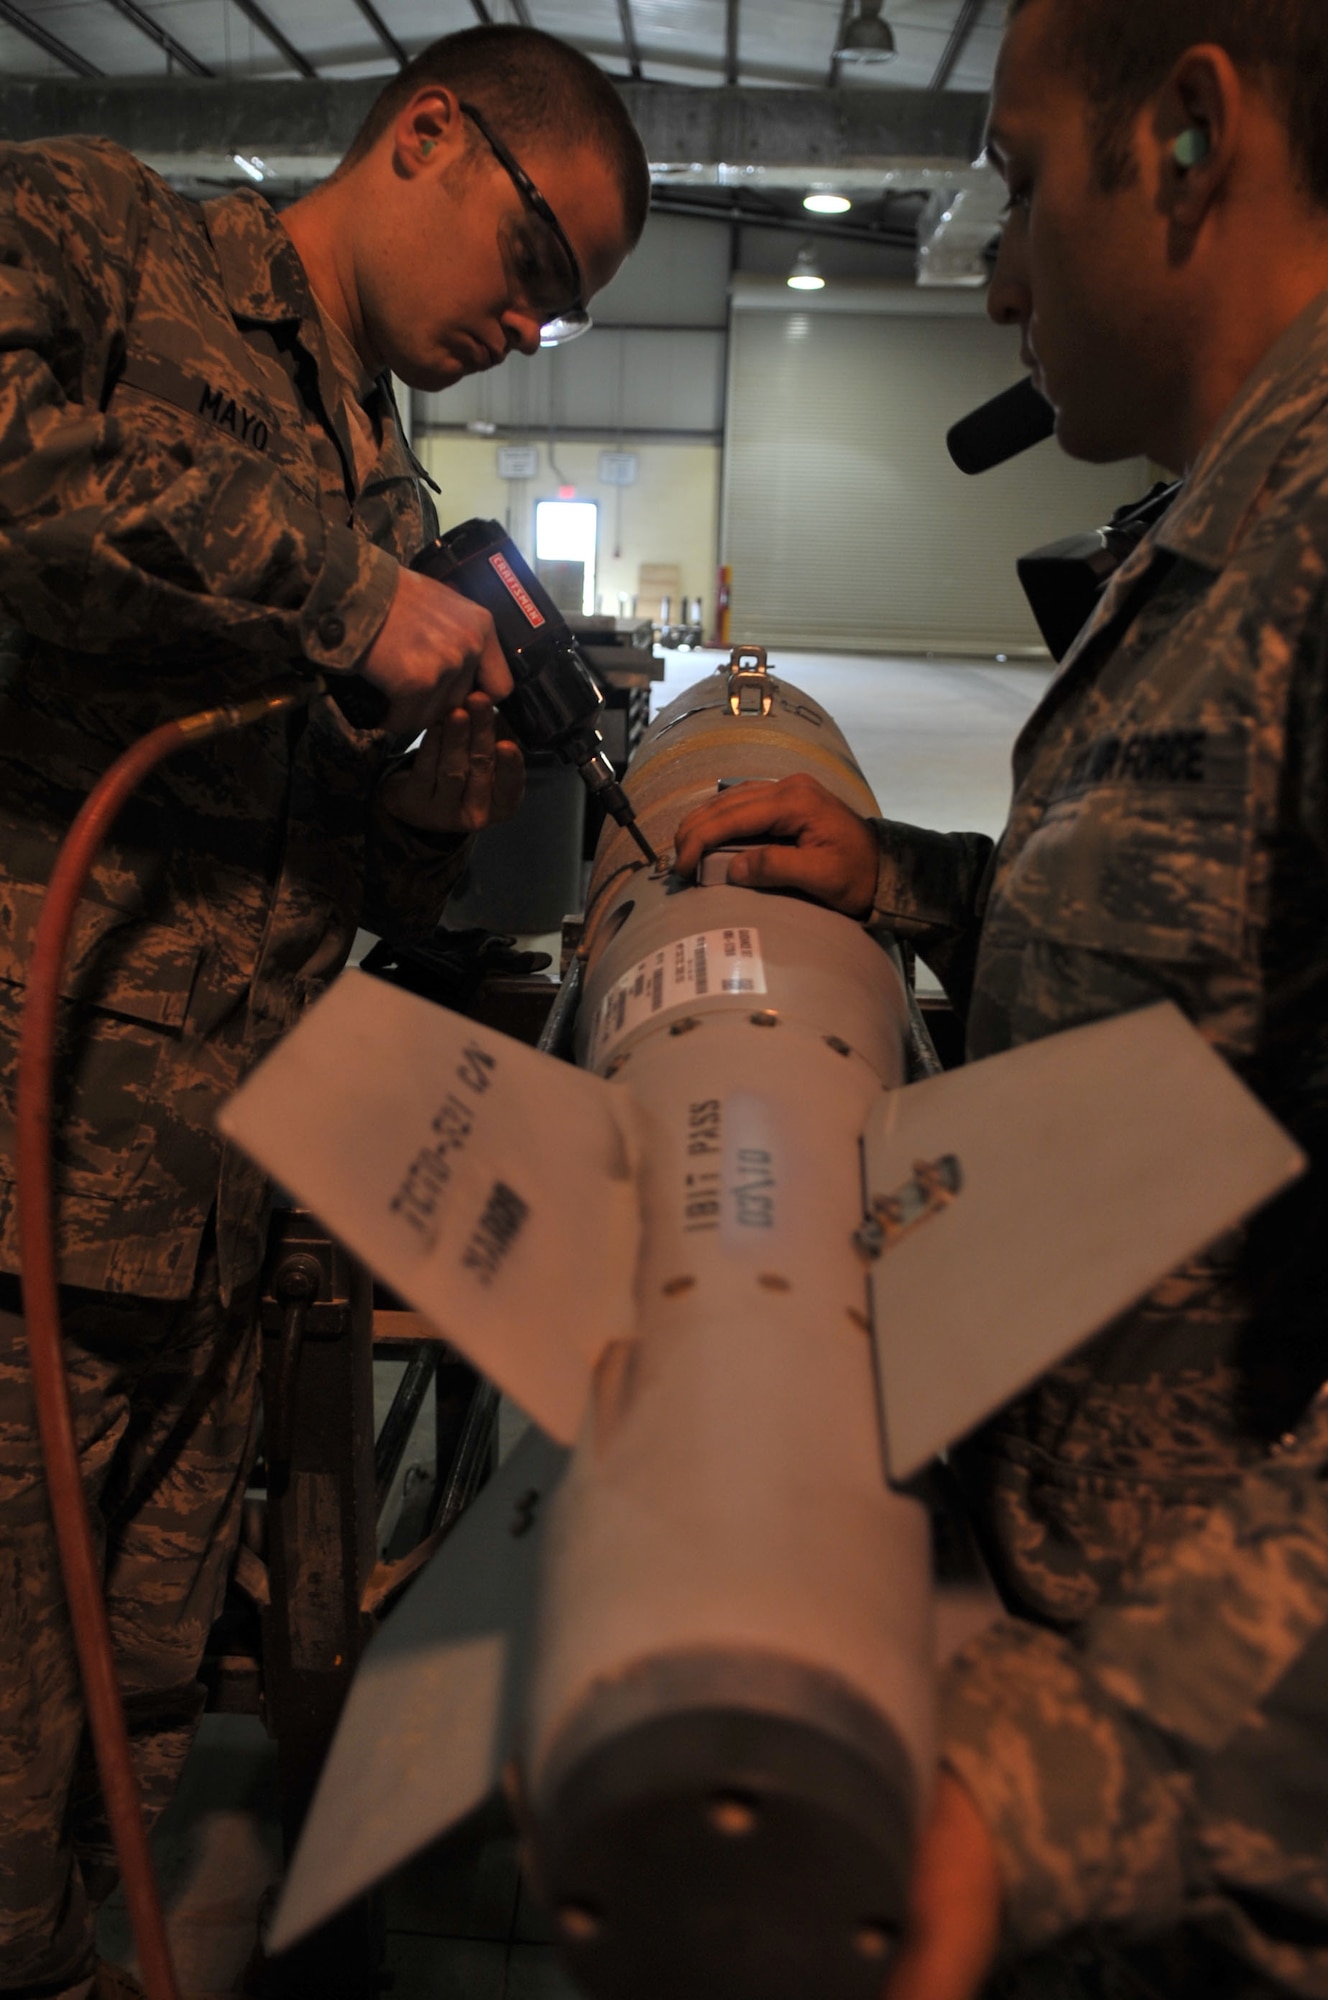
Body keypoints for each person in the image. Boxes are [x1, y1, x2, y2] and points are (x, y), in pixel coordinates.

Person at [675, 1, 1328, 1992]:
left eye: (1024, 186)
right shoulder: (1217, 536)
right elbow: (1223, 977)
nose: (996, 279)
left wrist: (1064, 1770)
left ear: (1189, 137)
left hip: (1207, 1813)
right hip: (1067, 1683)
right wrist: (919, 887)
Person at [0, 25, 647, 1999]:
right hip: (34, 1194)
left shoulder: (391, 470)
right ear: (428, 134)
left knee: (136, 1735)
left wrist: (422, 813)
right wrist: (347, 596)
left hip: (222, 1228)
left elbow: (327, 879)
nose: (530, 326)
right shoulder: (107, 234)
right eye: (535, 263)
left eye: (568, 309)